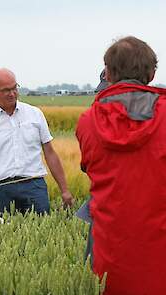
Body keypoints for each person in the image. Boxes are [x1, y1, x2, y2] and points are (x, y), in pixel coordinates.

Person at [76, 36, 166, 295]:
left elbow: (89, 166)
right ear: (151, 73)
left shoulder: (88, 122)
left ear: (109, 73)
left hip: (109, 255)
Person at [0, 68, 73, 215]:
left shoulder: (35, 114)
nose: (12, 93)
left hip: (35, 186)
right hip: (2, 190)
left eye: (14, 88)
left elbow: (50, 153)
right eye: (6, 90)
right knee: (6, 234)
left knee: (40, 232)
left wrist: (65, 190)